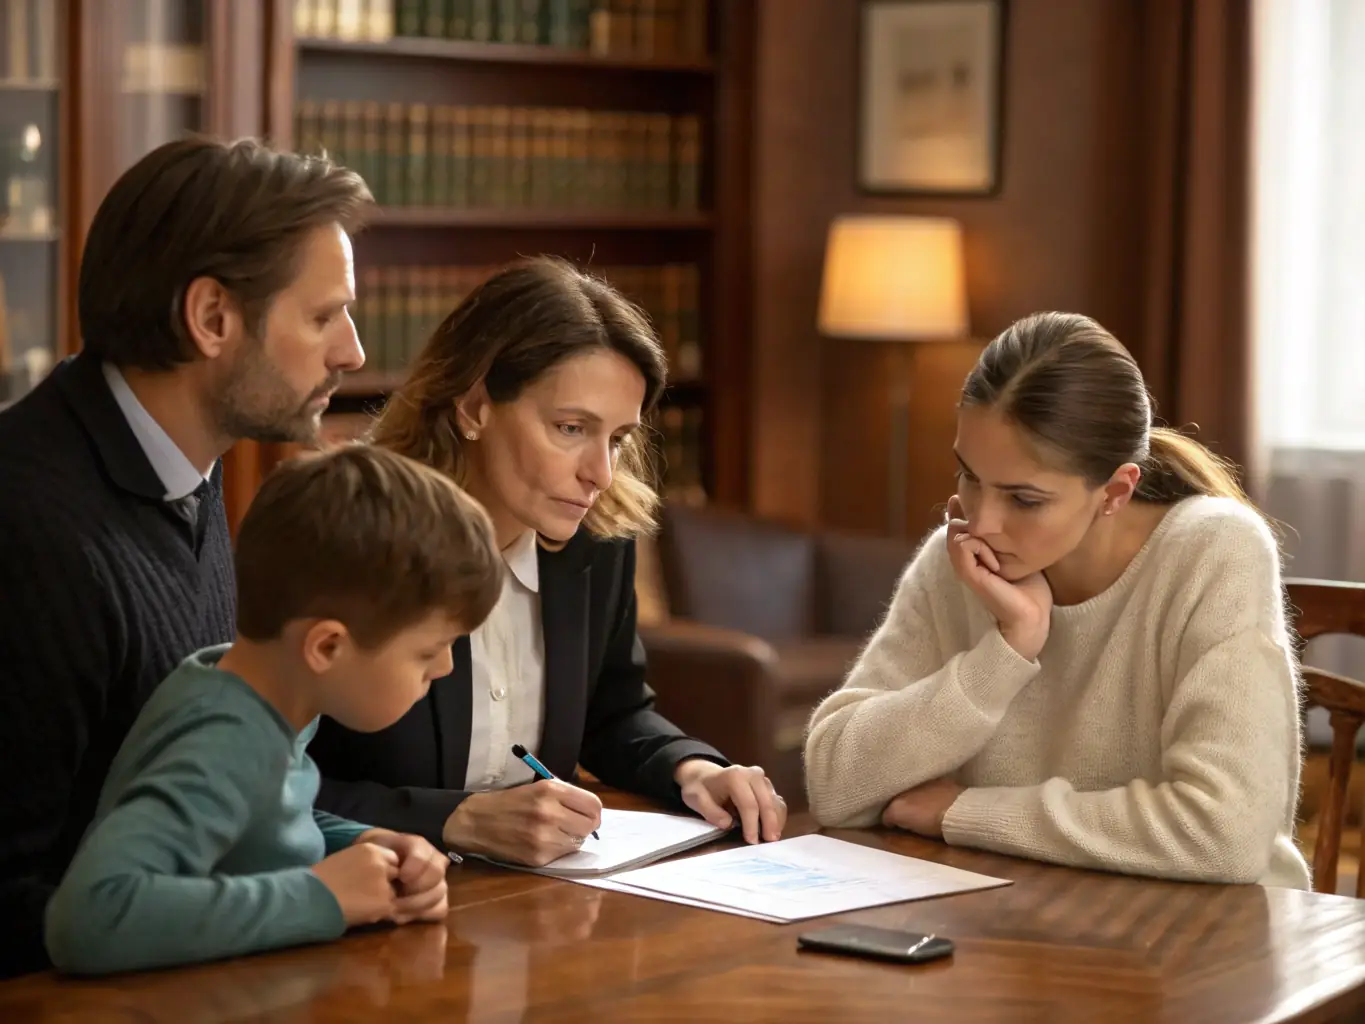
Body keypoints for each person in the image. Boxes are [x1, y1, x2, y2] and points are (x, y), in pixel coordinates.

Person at [0, 136, 371, 976]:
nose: (350, 352)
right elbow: (21, 897)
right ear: (211, 318)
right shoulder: (30, 532)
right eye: (323, 316)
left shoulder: (185, 479)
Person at [803, 311, 1310, 889]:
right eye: (969, 475)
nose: (981, 521)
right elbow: (835, 783)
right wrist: (1004, 654)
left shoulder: (1214, 550)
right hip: (1024, 920)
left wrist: (961, 813)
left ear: (1116, 490)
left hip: (1209, 939)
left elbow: (1223, 834)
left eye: (1024, 499)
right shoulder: (958, 560)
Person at [309, 257, 788, 867]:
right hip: (373, 901)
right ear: (475, 406)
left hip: (540, 905)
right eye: (569, 428)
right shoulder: (346, 539)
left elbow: (614, 716)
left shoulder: (595, 544)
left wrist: (691, 769)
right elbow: (268, 784)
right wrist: (452, 819)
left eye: (615, 438)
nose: (600, 474)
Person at [44, 444, 504, 975]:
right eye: (427, 651)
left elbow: (255, 818)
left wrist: (366, 841)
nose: (445, 668)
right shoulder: (227, 740)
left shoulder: (262, 697)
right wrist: (322, 897)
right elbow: (90, 917)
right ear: (327, 647)